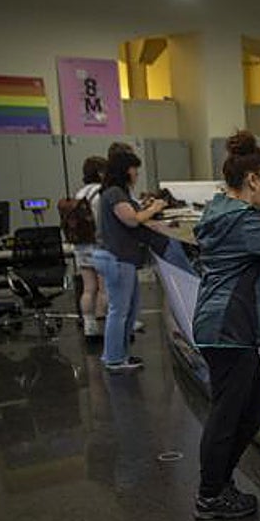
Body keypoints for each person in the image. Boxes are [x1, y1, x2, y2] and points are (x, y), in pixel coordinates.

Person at [192, 131, 260, 520]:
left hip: (222, 325)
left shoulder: (221, 212)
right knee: (228, 414)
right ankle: (210, 494)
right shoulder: (243, 222)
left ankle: (219, 484)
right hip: (228, 327)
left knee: (256, 405)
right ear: (253, 180)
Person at [92, 144, 166, 372]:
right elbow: (132, 220)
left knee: (129, 309)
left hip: (121, 258)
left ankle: (120, 355)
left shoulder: (117, 192)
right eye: (134, 169)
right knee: (120, 311)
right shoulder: (115, 193)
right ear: (125, 170)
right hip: (117, 258)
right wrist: (154, 208)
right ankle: (114, 358)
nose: (136, 173)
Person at [72, 155, 108, 339]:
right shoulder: (101, 193)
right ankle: (109, 326)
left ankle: (89, 325)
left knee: (88, 288)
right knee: (104, 289)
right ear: (101, 172)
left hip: (81, 247)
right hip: (99, 246)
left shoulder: (80, 193)